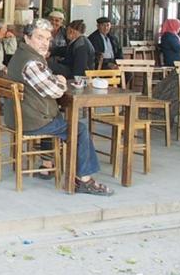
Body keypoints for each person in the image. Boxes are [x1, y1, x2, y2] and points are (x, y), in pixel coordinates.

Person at [7, 19, 112, 195]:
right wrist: (61, 81)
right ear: (27, 38)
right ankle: (84, 179)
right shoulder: (32, 63)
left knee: (56, 118)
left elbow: (45, 83)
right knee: (79, 129)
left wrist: (55, 79)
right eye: (39, 37)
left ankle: (47, 165)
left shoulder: (20, 55)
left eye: (47, 39)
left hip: (20, 117)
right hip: (32, 121)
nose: (44, 43)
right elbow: (55, 91)